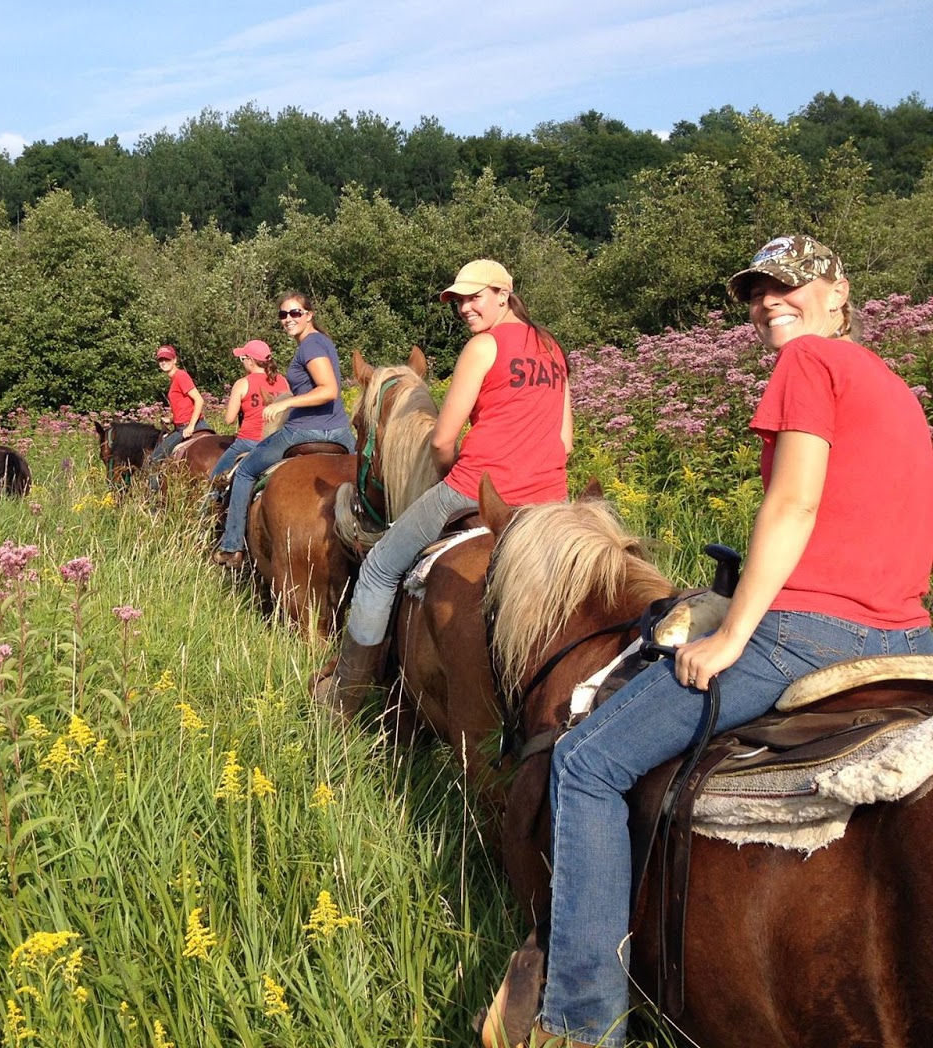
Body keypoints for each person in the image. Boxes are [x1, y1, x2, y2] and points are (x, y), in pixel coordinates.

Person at [498, 236, 933, 1048]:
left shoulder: (808, 362)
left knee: (585, 763)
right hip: (909, 633)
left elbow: (794, 504)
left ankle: (581, 1023)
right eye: (757, 293)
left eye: (787, 287)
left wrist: (734, 632)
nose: (769, 304)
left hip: (809, 634)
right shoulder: (893, 385)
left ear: (839, 292)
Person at [316, 259, 571, 715]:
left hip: (476, 487)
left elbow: (441, 440)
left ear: (503, 294)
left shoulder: (483, 346)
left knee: (378, 568)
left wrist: (448, 474)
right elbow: (565, 442)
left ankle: (345, 697)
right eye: (459, 301)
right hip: (550, 499)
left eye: (474, 297)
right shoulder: (553, 348)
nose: (465, 308)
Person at [213, 292, 356, 566]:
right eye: (283, 314)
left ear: (309, 315)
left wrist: (286, 403)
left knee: (244, 471)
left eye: (295, 313)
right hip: (339, 431)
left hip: (304, 430)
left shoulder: (310, 346)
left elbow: (328, 390)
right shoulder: (322, 342)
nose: (288, 319)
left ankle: (232, 546)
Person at [203, 339, 290, 502]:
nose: (242, 362)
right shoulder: (283, 380)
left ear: (250, 360)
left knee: (214, 480)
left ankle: (206, 512)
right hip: (278, 441)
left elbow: (229, 420)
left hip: (249, 441)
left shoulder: (243, 383)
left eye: (242, 358)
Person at [146, 346, 208, 489]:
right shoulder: (175, 379)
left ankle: (154, 498)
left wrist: (190, 426)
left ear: (175, 360)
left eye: (167, 359)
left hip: (188, 427)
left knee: (154, 460)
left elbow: (199, 400)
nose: (163, 362)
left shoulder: (181, 376)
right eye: (161, 360)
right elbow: (185, 406)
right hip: (187, 423)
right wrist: (171, 419)